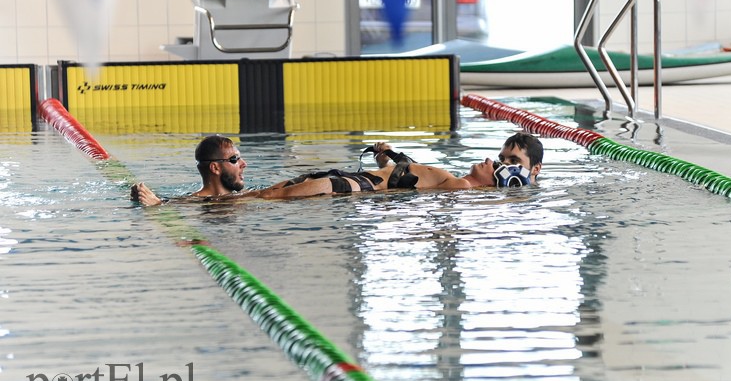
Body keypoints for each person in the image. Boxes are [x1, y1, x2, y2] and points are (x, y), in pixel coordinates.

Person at [130, 132, 543, 206]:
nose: (495, 160)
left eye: (508, 163)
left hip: (341, 188)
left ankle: (166, 205)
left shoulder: (462, 191)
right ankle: (172, 204)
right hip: (342, 183)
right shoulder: (455, 183)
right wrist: (388, 159)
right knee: (258, 198)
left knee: (258, 199)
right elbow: (404, 177)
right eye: (500, 155)